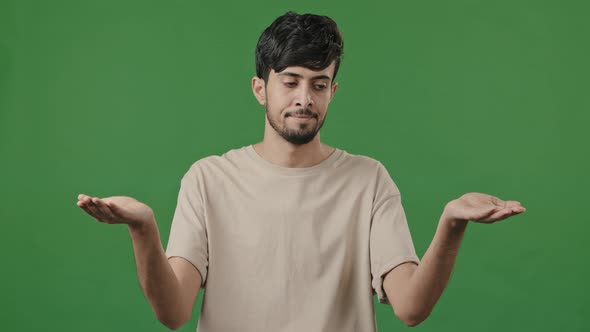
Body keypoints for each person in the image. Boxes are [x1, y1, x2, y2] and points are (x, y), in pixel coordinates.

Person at [76, 11, 526, 331]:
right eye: (290, 81)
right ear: (260, 88)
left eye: (318, 84)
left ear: (333, 91)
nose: (304, 98)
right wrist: (143, 228)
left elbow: (410, 308)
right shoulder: (209, 179)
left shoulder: (368, 181)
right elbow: (174, 313)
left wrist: (451, 223)